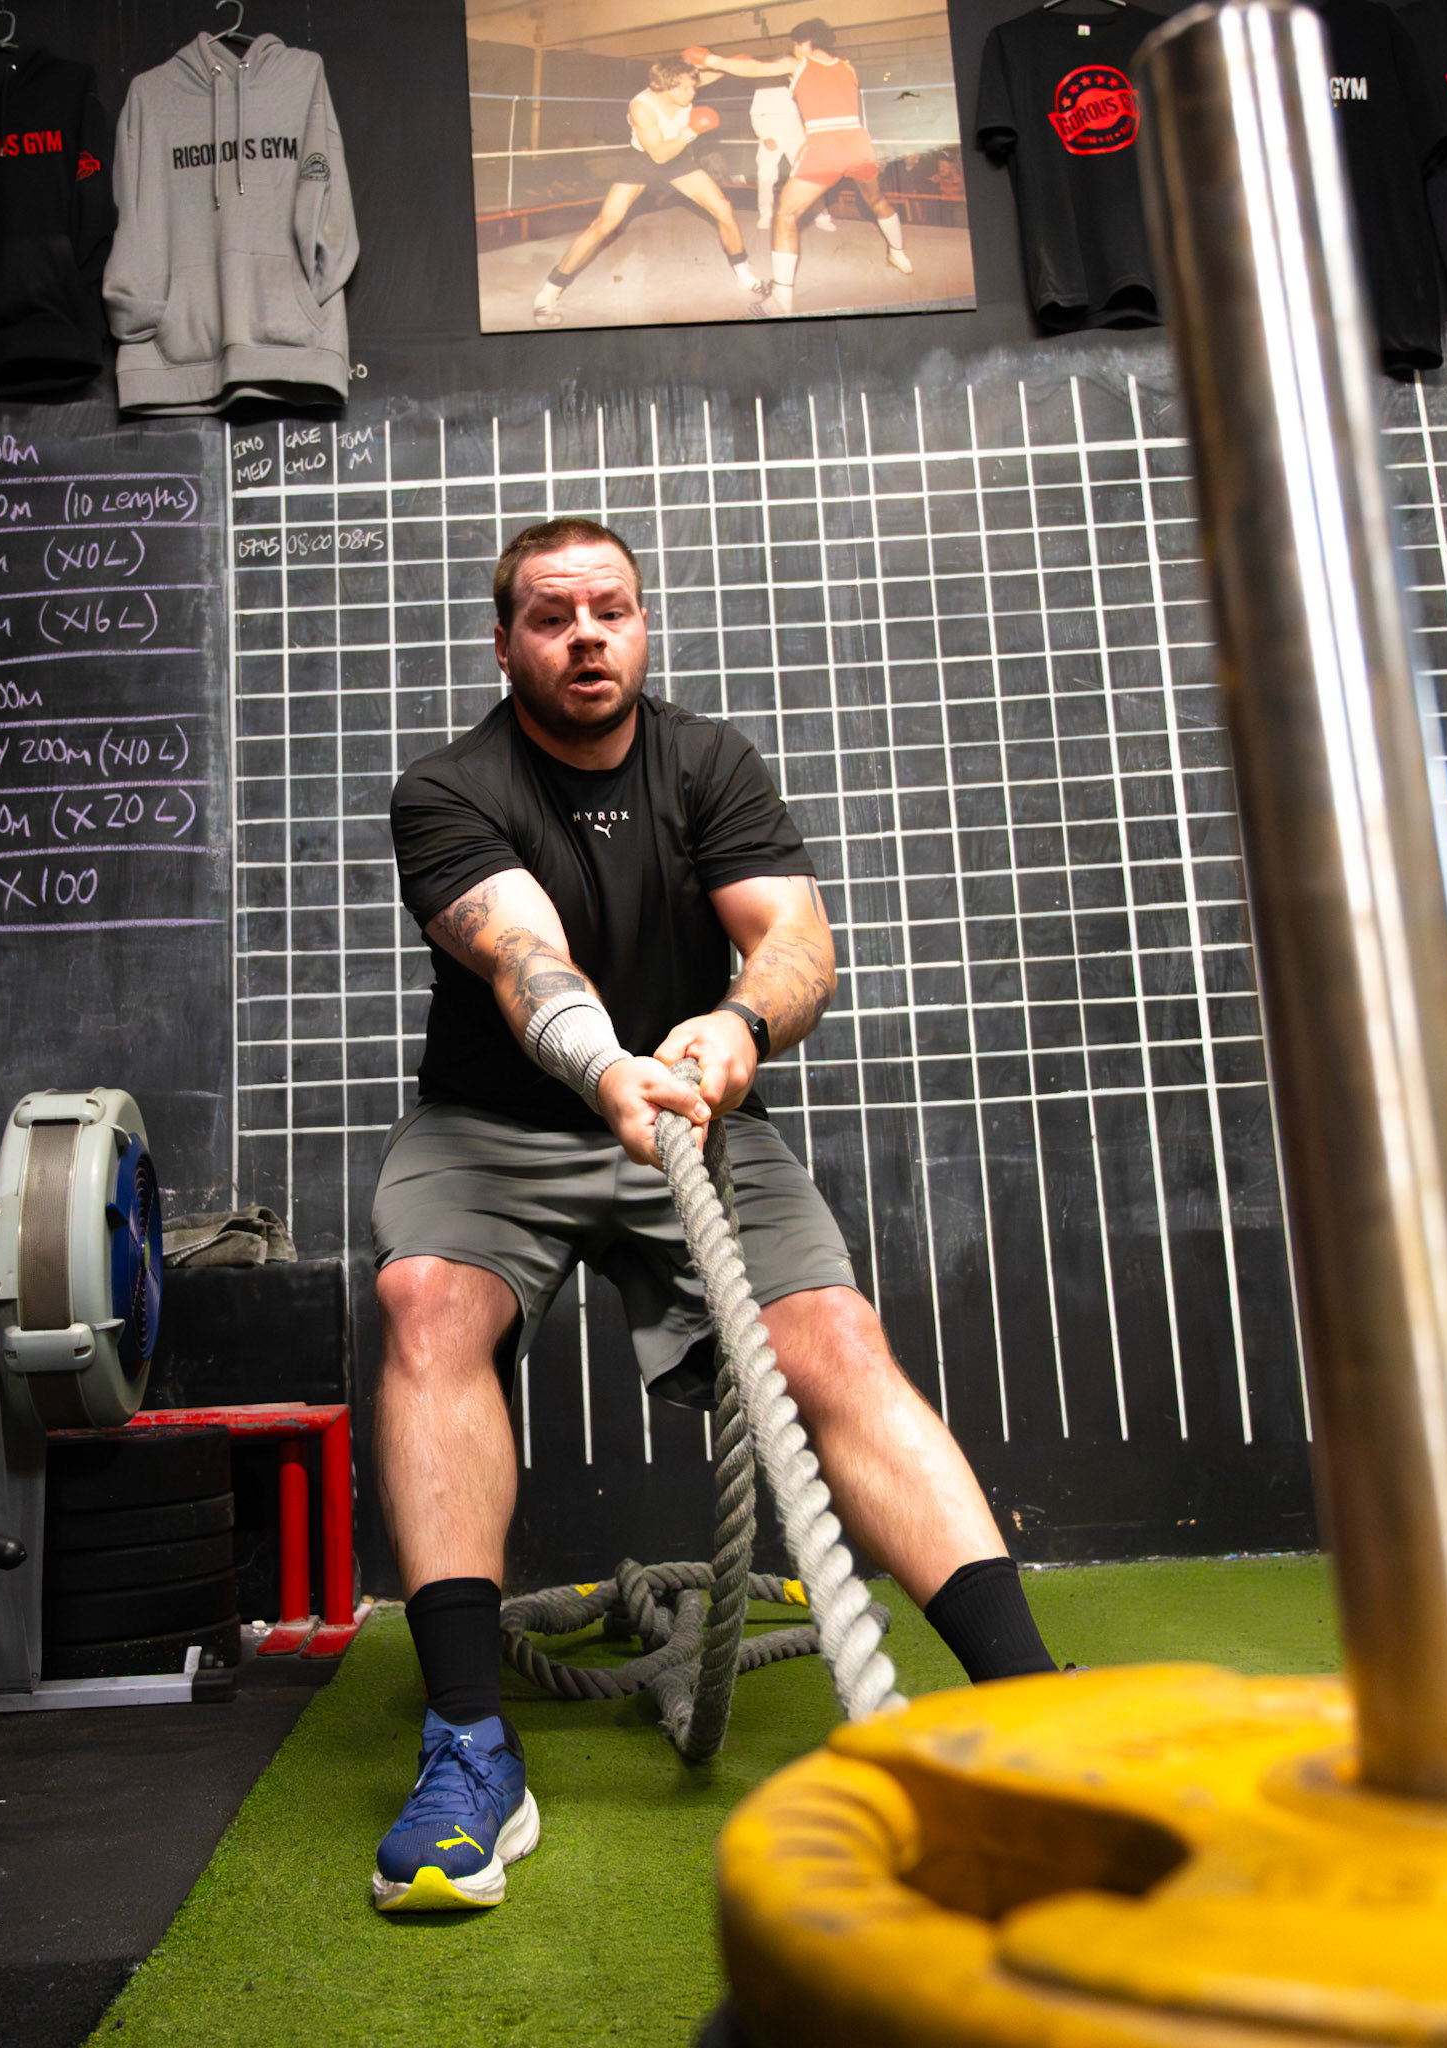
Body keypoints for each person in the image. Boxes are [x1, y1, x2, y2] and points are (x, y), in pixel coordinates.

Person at [370, 517, 1056, 1913]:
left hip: (694, 1110)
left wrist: (738, 1028)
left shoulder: (709, 764)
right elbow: (522, 955)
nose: (585, 635)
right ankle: (468, 1746)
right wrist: (602, 1066)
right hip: (502, 1125)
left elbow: (794, 941)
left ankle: (1040, 1712)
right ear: (504, 642)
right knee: (423, 1302)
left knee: (834, 1340)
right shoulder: (448, 789)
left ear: (640, 625)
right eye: (551, 615)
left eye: (610, 609)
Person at [686, 21, 912, 316]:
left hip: (825, 145)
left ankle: (781, 300)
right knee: (877, 200)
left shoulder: (799, 63)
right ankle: (899, 255)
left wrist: (710, 59)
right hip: (858, 144)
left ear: (803, 43)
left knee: (786, 214)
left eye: (795, 44)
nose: (793, 49)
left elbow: (755, 69)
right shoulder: (848, 67)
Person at [532, 56, 765, 327]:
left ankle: (743, 274)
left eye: (693, 86)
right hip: (646, 160)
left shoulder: (684, 84)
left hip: (679, 158)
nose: (692, 93)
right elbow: (658, 154)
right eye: (685, 88)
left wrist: (723, 60)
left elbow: (725, 70)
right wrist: (692, 130)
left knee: (722, 207)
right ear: (665, 86)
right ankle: (549, 292)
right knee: (604, 224)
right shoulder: (642, 108)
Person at [749, 81, 835, 235]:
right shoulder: (763, 87)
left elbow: (809, 110)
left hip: (796, 137)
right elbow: (754, 114)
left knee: (809, 175)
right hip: (771, 138)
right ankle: (766, 215)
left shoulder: (798, 83)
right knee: (765, 176)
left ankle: (822, 216)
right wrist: (764, 136)